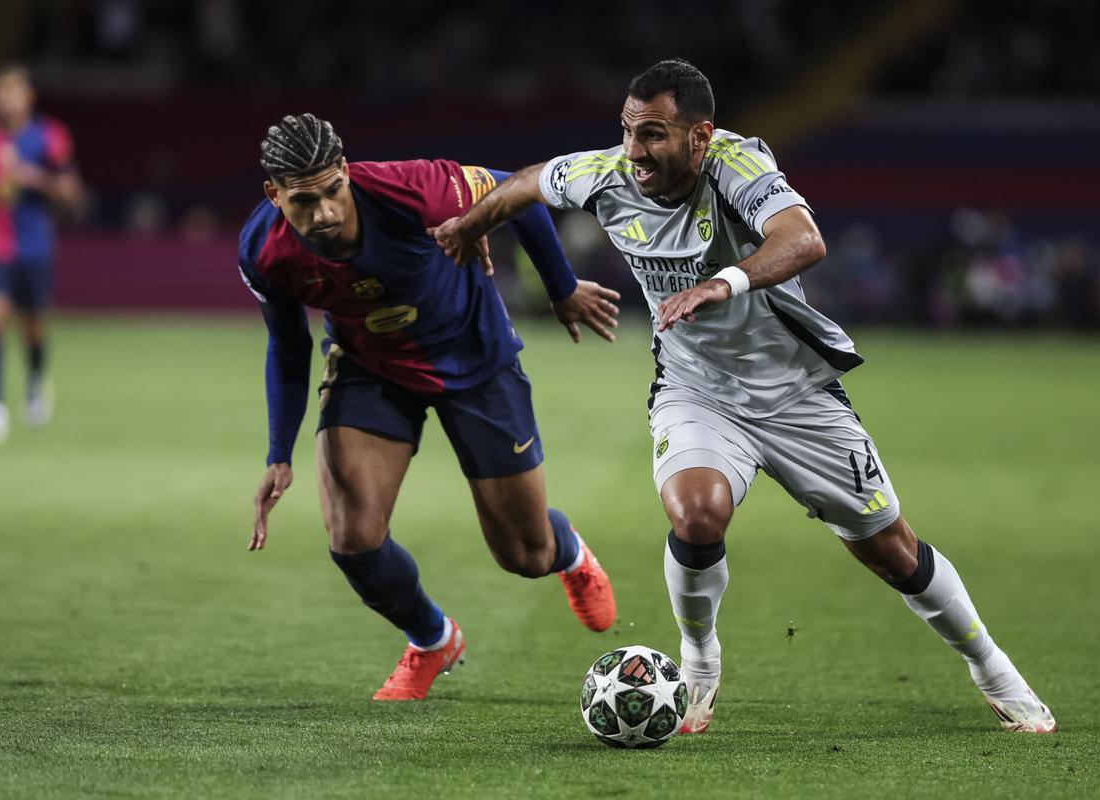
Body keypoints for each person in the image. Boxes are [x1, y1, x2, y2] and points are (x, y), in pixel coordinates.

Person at [432, 59, 1056, 734]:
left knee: (891, 550)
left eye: (653, 135)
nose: (634, 151)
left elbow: (803, 238)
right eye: (628, 131)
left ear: (699, 136)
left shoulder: (736, 166)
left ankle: (991, 666)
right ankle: (699, 656)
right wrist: (472, 225)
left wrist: (721, 283)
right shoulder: (604, 173)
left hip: (796, 394)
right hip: (696, 389)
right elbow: (527, 181)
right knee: (697, 515)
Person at [238, 114, 621, 701]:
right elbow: (288, 345)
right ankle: (432, 638)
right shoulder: (264, 250)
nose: (325, 213)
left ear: (346, 172)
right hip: (370, 367)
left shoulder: (416, 189)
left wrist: (561, 287)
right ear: (274, 194)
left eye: (332, 191)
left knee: (524, 555)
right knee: (352, 538)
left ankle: (565, 548)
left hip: (474, 356)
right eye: (303, 201)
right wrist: (278, 453)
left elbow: (523, 190)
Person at [0, 63, 83, 443]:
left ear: (28, 97)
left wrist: (34, 178)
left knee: (32, 324)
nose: (5, 100)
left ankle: (35, 378)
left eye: (12, 92)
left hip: (34, 243)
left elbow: (72, 193)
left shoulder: (49, 136)